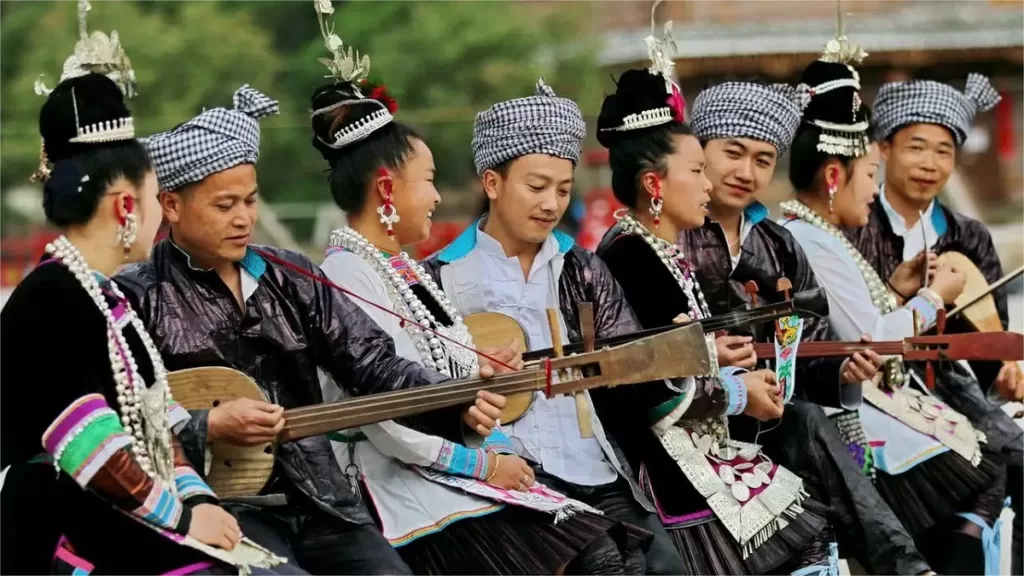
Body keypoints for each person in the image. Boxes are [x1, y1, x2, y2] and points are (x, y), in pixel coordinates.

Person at [114, 82, 506, 574]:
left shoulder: (290, 274)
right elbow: (126, 414)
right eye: (224, 205)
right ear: (171, 206)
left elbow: (370, 360)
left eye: (251, 201)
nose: (244, 219)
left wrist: (456, 396)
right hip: (218, 503)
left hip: (319, 498)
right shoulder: (136, 295)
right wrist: (205, 425)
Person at [307, 13, 639, 573]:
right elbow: (384, 416)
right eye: (429, 179)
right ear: (387, 189)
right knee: (596, 557)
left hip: (459, 466)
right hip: (404, 481)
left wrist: (486, 370)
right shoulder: (347, 274)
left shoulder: (401, 271)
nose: (438, 197)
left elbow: (444, 373)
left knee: (616, 553)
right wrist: (483, 464)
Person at [0, 69, 285, 574]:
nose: (162, 214)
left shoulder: (103, 294)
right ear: (127, 205)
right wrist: (183, 519)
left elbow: (158, 420)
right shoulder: (51, 297)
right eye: (156, 199)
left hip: (119, 511)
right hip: (64, 528)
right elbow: (90, 446)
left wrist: (199, 503)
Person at [421, 79, 685, 575]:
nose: (551, 204)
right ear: (492, 182)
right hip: (510, 474)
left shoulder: (582, 269)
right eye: (536, 186)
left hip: (597, 467)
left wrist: (669, 355)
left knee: (666, 567)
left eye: (563, 190)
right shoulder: (440, 279)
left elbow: (628, 371)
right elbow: (425, 394)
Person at [679, 77, 934, 574]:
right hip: (699, 417)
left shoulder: (777, 243)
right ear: (699, 154)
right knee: (807, 423)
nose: (746, 172)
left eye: (763, 160)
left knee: (811, 422)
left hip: (772, 414)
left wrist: (841, 369)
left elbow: (810, 334)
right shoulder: (675, 239)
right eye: (733, 153)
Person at [777, 42, 1012, 574]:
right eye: (869, 177)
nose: (874, 191)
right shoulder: (810, 238)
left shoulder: (829, 236)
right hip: (859, 407)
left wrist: (902, 291)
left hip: (892, 394)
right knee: (985, 466)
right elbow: (875, 339)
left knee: (990, 465)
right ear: (835, 177)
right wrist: (932, 299)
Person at [592, 66, 835, 575]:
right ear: (655, 184)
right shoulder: (630, 258)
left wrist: (722, 363)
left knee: (811, 535)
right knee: (805, 535)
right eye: (698, 171)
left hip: (701, 442)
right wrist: (735, 386)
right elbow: (644, 382)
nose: (710, 185)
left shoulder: (658, 251)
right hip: (670, 458)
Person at [855, 75, 1024, 571]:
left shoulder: (968, 235)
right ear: (884, 148)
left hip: (957, 390)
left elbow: (995, 345)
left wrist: (1009, 370)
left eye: (944, 151)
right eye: (916, 148)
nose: (930, 164)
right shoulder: (856, 228)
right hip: (883, 393)